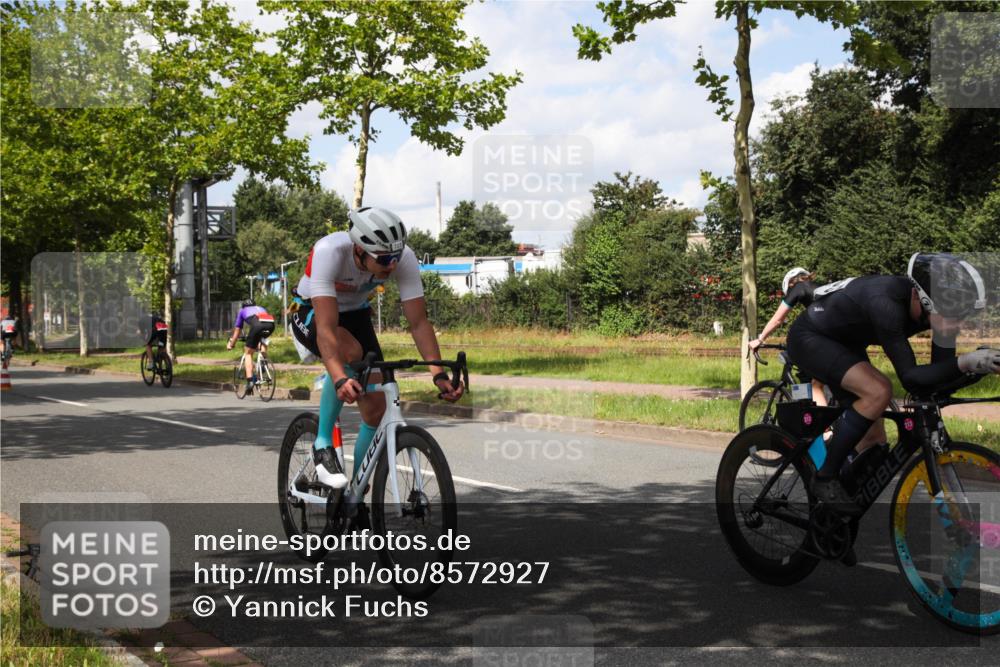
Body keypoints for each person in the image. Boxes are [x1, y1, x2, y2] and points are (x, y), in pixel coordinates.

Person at [787, 252, 999, 515]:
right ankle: (824, 478)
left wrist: (977, 369)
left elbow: (932, 383)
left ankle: (832, 518)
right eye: (945, 315)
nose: (950, 325)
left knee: (875, 441)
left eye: (958, 316)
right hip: (810, 337)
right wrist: (965, 362)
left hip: (846, 342)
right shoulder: (885, 303)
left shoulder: (937, 310)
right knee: (879, 390)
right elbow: (910, 378)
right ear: (917, 297)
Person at [290, 206, 464, 490]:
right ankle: (322, 444)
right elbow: (326, 329)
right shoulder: (328, 251)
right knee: (350, 351)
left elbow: (419, 322)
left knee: (376, 411)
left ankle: (356, 491)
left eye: (396, 256)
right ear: (358, 250)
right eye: (384, 259)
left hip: (356, 314)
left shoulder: (402, 259)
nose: (392, 265)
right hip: (311, 310)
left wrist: (438, 373)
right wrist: (338, 377)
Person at [749, 267, 828, 406]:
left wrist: (760, 339)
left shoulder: (799, 287)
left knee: (816, 385)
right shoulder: (821, 287)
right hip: (840, 333)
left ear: (791, 283)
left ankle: (825, 428)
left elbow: (777, 319)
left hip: (827, 337)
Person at [227, 298, 275, 395]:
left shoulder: (242, 311)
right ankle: (263, 363)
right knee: (261, 341)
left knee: (248, 353)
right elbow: (262, 323)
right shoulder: (261, 308)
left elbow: (237, 331)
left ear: (244, 306)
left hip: (257, 325)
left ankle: (250, 381)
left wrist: (232, 343)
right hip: (271, 324)